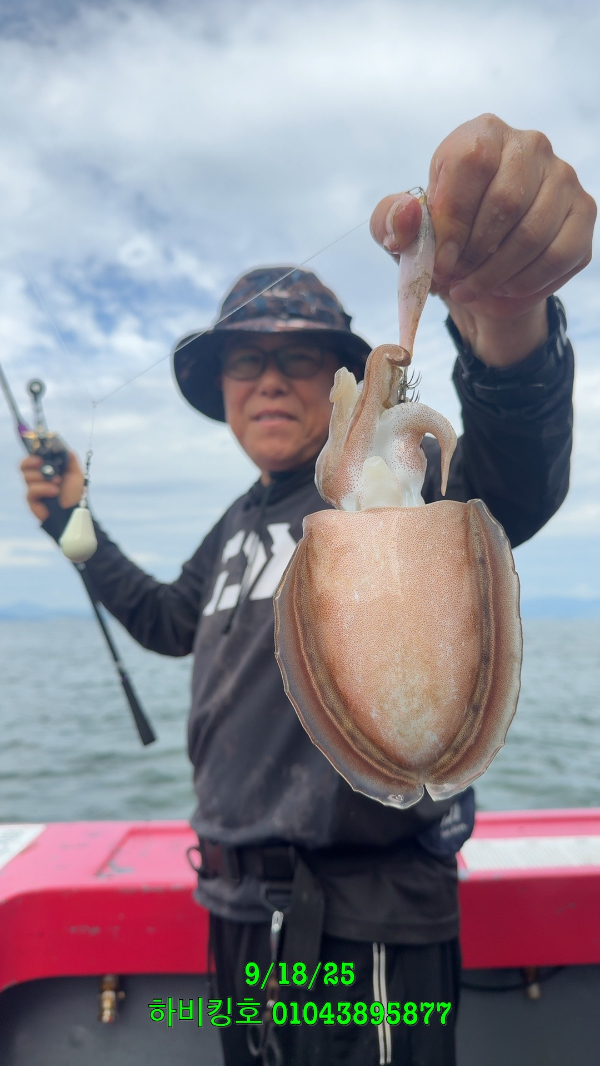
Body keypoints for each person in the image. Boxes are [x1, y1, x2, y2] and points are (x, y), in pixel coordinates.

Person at [21, 114, 595, 1066]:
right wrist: (72, 525)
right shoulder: (238, 521)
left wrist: (507, 325)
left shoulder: (391, 494)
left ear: (340, 382)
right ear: (222, 390)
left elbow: (515, 483)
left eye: (300, 359)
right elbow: (169, 621)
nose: (271, 382)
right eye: (245, 361)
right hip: (239, 912)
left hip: (371, 923)